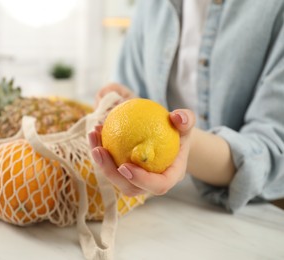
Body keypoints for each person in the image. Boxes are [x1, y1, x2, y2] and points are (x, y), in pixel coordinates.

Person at [88, 0, 284, 212]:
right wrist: (122, 100)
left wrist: (180, 146)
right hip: (166, 207)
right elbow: (131, 88)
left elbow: (273, 149)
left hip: (260, 212)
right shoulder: (152, 5)